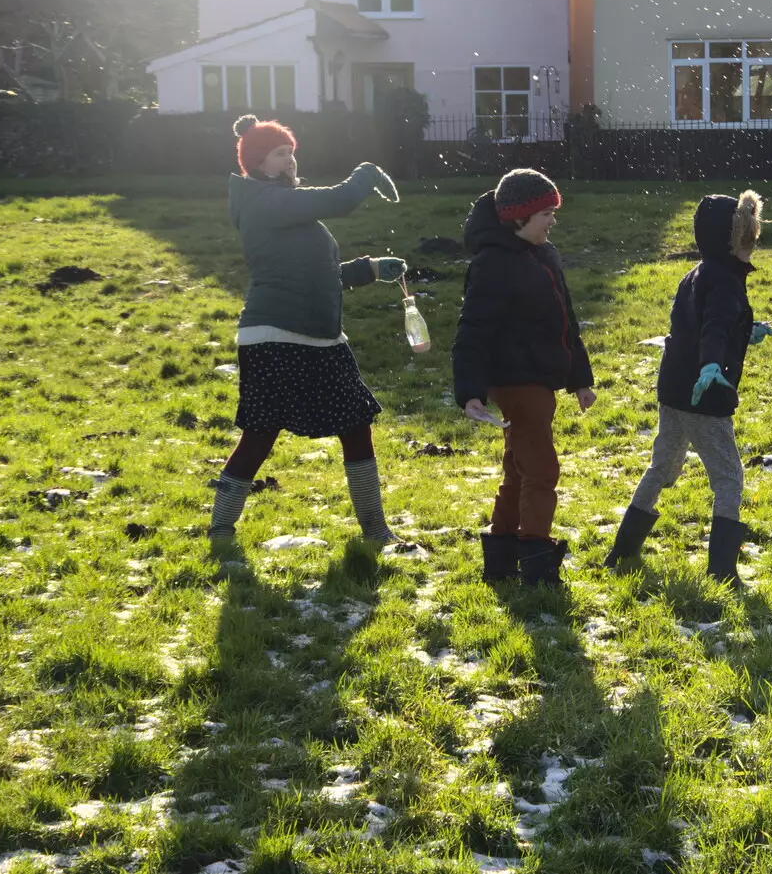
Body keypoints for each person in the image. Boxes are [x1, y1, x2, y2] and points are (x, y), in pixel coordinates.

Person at [206, 114, 407, 547]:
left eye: (292, 153)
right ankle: (221, 527)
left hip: (321, 339)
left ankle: (376, 530)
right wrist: (365, 174)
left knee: (356, 426)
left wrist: (369, 269)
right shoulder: (262, 201)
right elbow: (339, 200)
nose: (290, 161)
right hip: (274, 338)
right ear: (257, 163)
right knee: (260, 434)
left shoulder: (284, 206)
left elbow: (317, 271)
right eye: (280, 154)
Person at [604, 191, 769, 584]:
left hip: (673, 391)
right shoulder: (728, 281)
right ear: (738, 239)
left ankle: (622, 551)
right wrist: (712, 364)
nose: (754, 242)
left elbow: (699, 322)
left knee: (664, 465)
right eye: (751, 235)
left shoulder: (697, 272)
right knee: (729, 478)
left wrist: (747, 329)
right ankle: (722, 572)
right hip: (704, 395)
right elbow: (712, 327)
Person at [452, 169, 595, 586]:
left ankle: (500, 558)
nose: (552, 221)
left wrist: (580, 379)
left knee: (519, 469)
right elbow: (472, 332)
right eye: (545, 214)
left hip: (542, 378)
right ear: (518, 218)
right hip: (515, 381)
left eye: (554, 212)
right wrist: (471, 393)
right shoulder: (493, 263)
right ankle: (536, 558)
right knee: (541, 469)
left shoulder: (545, 254)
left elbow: (567, 320)